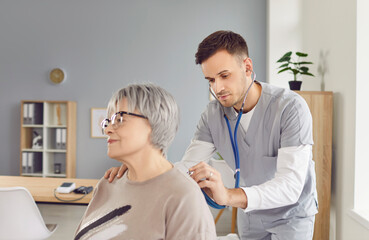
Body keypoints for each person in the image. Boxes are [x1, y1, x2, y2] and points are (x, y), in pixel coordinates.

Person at [105, 31, 318, 240]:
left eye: (224, 76)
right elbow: (187, 166)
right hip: (251, 216)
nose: (218, 88)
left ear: (247, 67)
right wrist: (142, 170)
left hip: (291, 216)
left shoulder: (290, 108)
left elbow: (291, 186)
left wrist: (228, 195)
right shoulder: (213, 114)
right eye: (210, 80)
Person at [75, 83, 216, 240]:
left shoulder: (184, 197)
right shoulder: (108, 184)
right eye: (108, 121)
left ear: (154, 122)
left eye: (119, 119)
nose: (108, 129)